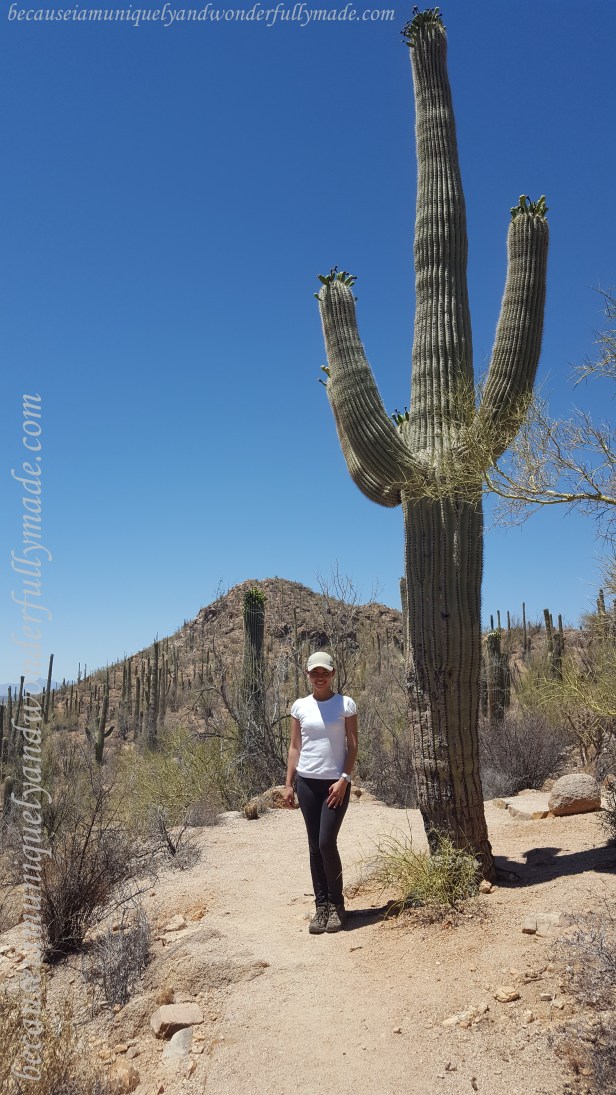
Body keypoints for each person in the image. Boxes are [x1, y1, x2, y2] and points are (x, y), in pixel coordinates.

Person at [282, 651, 358, 934]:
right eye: (315, 672)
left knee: (327, 842)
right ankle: (321, 906)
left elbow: (352, 746)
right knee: (314, 846)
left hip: (334, 785)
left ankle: (337, 905)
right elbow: (295, 747)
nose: (320, 677)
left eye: (324, 672)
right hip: (307, 783)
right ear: (308, 675)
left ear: (333, 673)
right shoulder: (300, 706)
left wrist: (344, 779)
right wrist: (289, 784)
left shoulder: (345, 704)